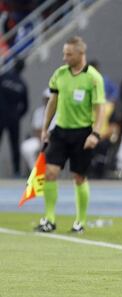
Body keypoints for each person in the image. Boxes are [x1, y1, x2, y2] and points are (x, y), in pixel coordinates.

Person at [34, 36, 105, 233]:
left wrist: (96, 134)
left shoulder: (93, 78)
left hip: (83, 132)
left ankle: (80, 221)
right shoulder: (59, 74)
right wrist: (45, 128)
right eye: (64, 53)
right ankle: (49, 219)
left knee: (79, 177)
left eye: (69, 54)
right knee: (50, 173)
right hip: (60, 131)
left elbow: (100, 109)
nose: (64, 57)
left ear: (81, 54)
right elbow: (53, 102)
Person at [0, 58, 28, 177]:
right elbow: (26, 106)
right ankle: (16, 172)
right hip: (13, 119)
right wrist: (17, 115)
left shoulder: (4, 77)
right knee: (14, 145)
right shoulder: (22, 84)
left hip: (1, 116)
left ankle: (16, 171)